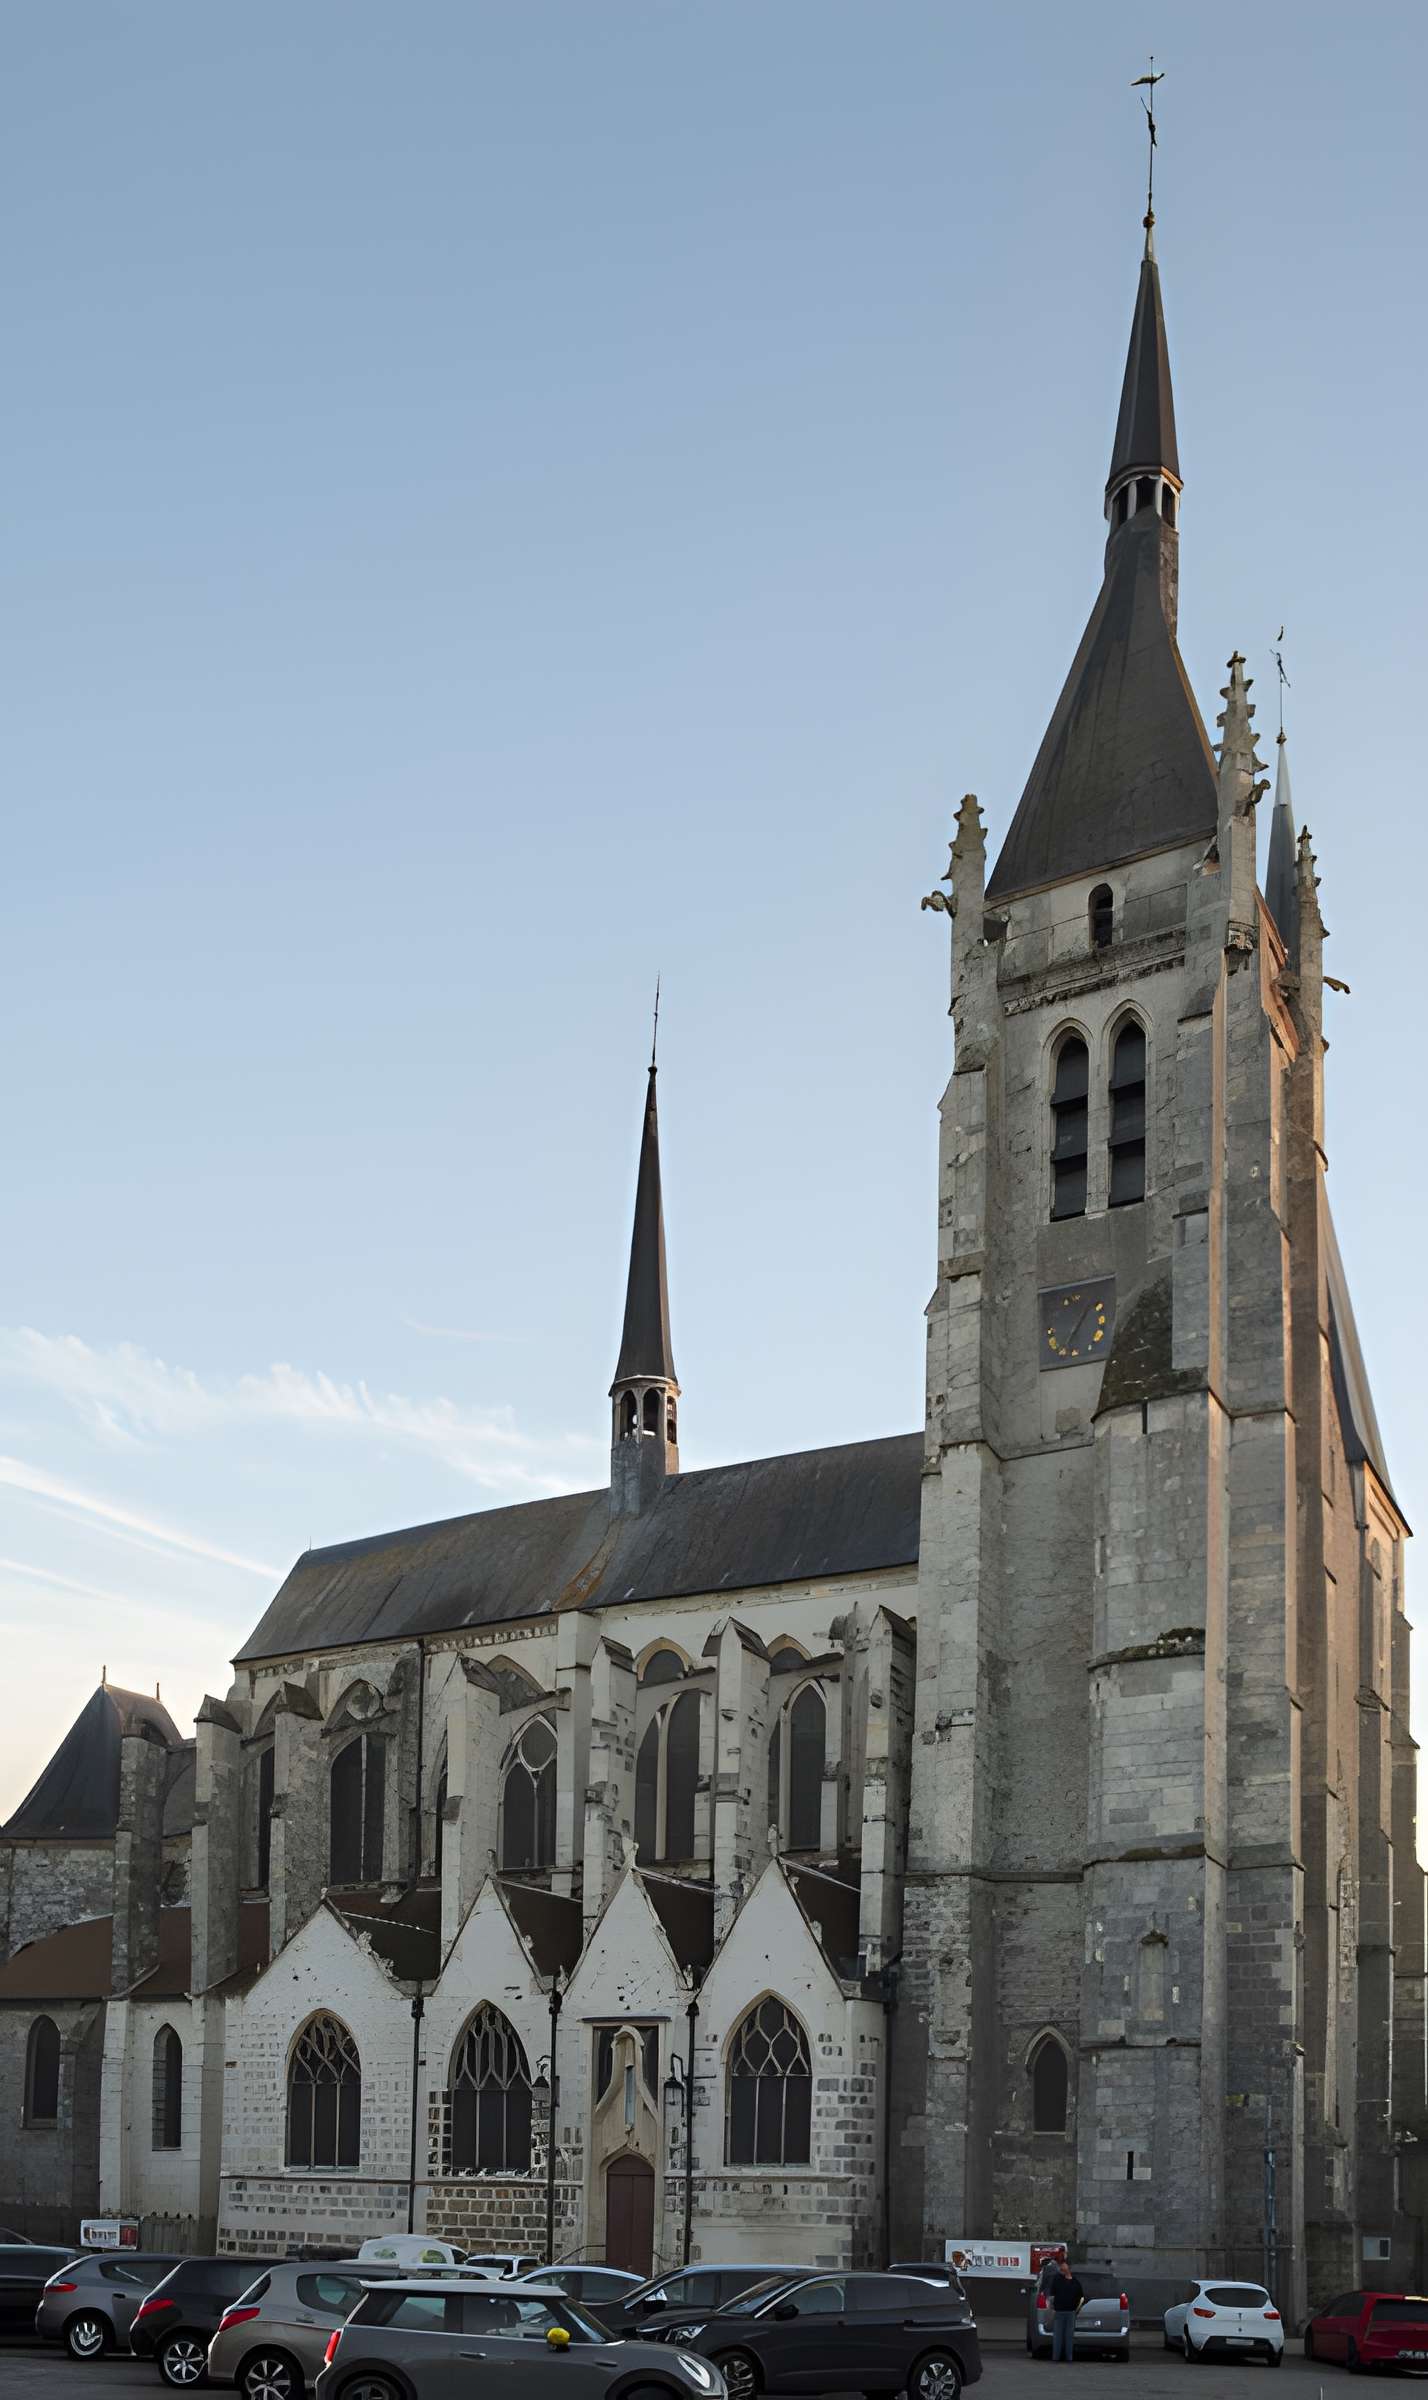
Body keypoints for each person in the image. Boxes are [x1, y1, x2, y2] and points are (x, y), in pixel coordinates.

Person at [1047, 2259, 1085, 2362]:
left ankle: (1069, 2358)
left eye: (1064, 2265)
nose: (1062, 2268)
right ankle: (1056, 2358)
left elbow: (1081, 2297)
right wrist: (1052, 2308)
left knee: (1069, 2337)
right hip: (1059, 2312)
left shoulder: (1075, 2282)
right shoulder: (1057, 2279)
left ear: (1068, 2267)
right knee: (1058, 2337)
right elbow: (1052, 2295)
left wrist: (1076, 2309)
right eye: (1061, 2266)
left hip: (1071, 2312)